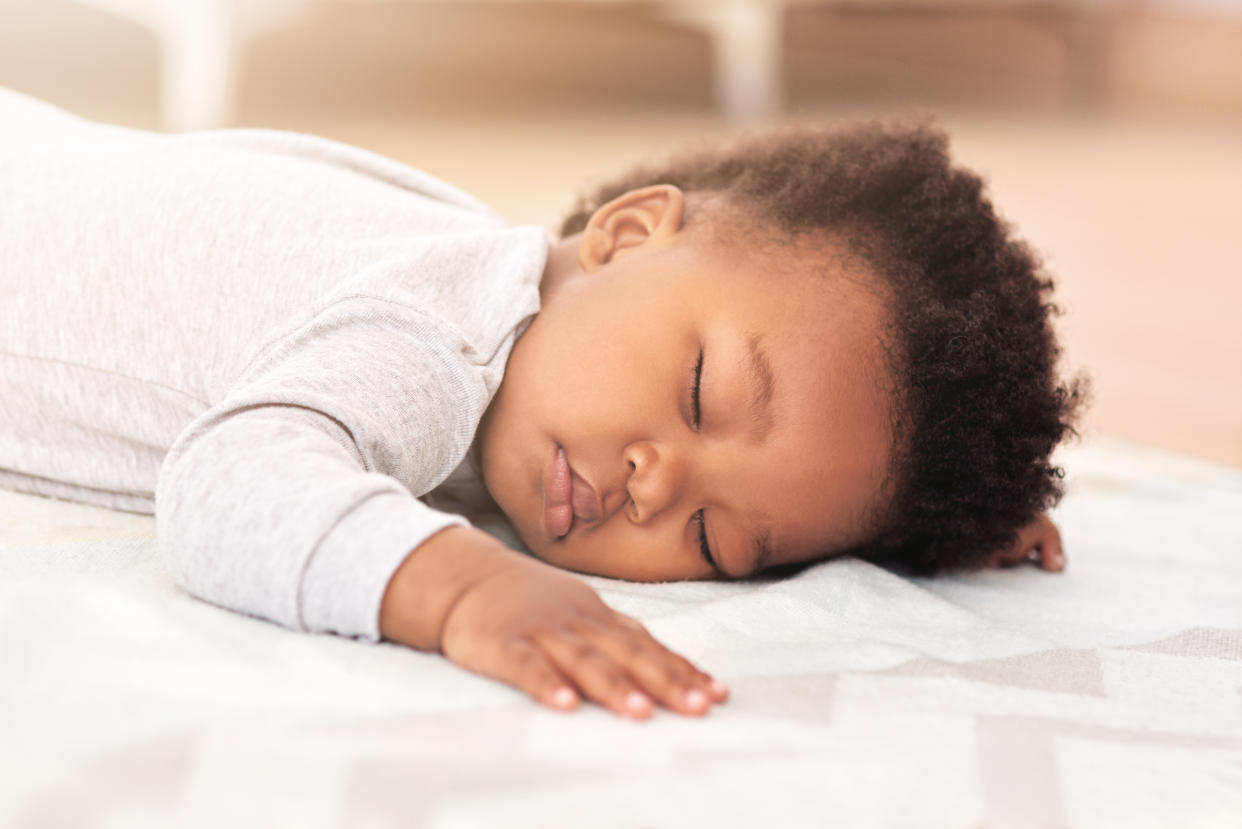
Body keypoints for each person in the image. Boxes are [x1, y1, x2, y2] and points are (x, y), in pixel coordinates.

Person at [0, 87, 1084, 720]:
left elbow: (814, 465)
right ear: (623, 232)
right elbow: (229, 481)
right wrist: (458, 585)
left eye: (715, 540)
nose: (657, 487)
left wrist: (933, 519)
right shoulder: (437, 340)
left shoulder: (511, 283)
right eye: (700, 391)